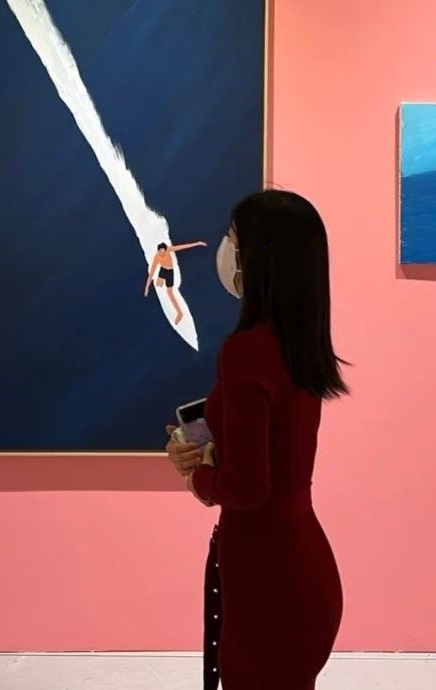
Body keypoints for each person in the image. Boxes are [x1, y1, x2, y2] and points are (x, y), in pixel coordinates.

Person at [165, 189, 348, 690]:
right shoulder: (300, 344)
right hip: (298, 570)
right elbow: (271, 452)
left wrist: (198, 476)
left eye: (233, 239)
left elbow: (246, 489)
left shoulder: (247, 351)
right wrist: (211, 451)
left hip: (268, 581)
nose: (226, 250)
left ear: (257, 259)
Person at [144, 240, 207, 324]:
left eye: (163, 252)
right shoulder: (157, 257)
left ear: (166, 250)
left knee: (169, 293)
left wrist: (197, 243)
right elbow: (151, 273)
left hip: (169, 272)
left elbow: (182, 247)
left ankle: (179, 313)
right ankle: (160, 279)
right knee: (158, 284)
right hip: (163, 270)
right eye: (160, 253)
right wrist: (147, 287)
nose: (162, 254)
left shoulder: (169, 249)